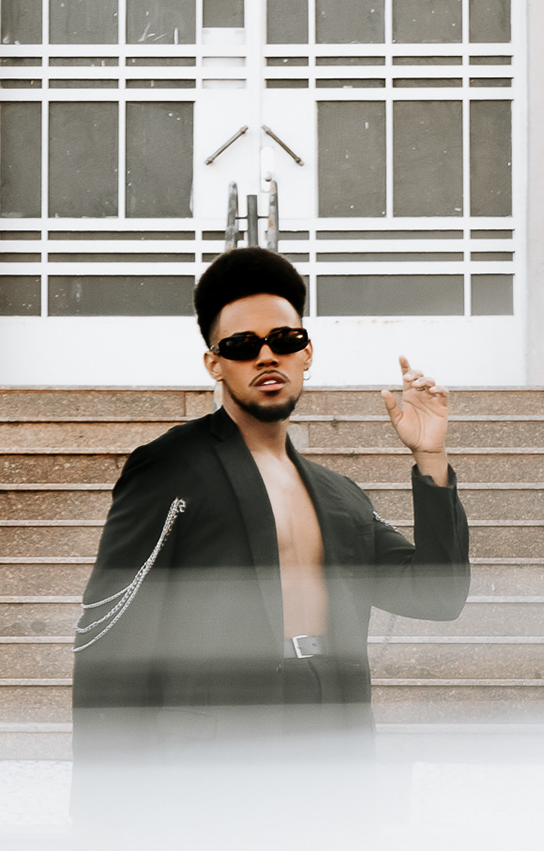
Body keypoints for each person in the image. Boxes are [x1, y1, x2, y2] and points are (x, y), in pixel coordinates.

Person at [70, 246, 472, 773]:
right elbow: (111, 630)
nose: (266, 356)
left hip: (334, 736)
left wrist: (430, 456)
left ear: (306, 353)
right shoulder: (172, 467)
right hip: (219, 750)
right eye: (242, 345)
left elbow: (437, 595)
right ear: (214, 363)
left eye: (285, 340)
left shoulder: (338, 494)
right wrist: (105, 801)